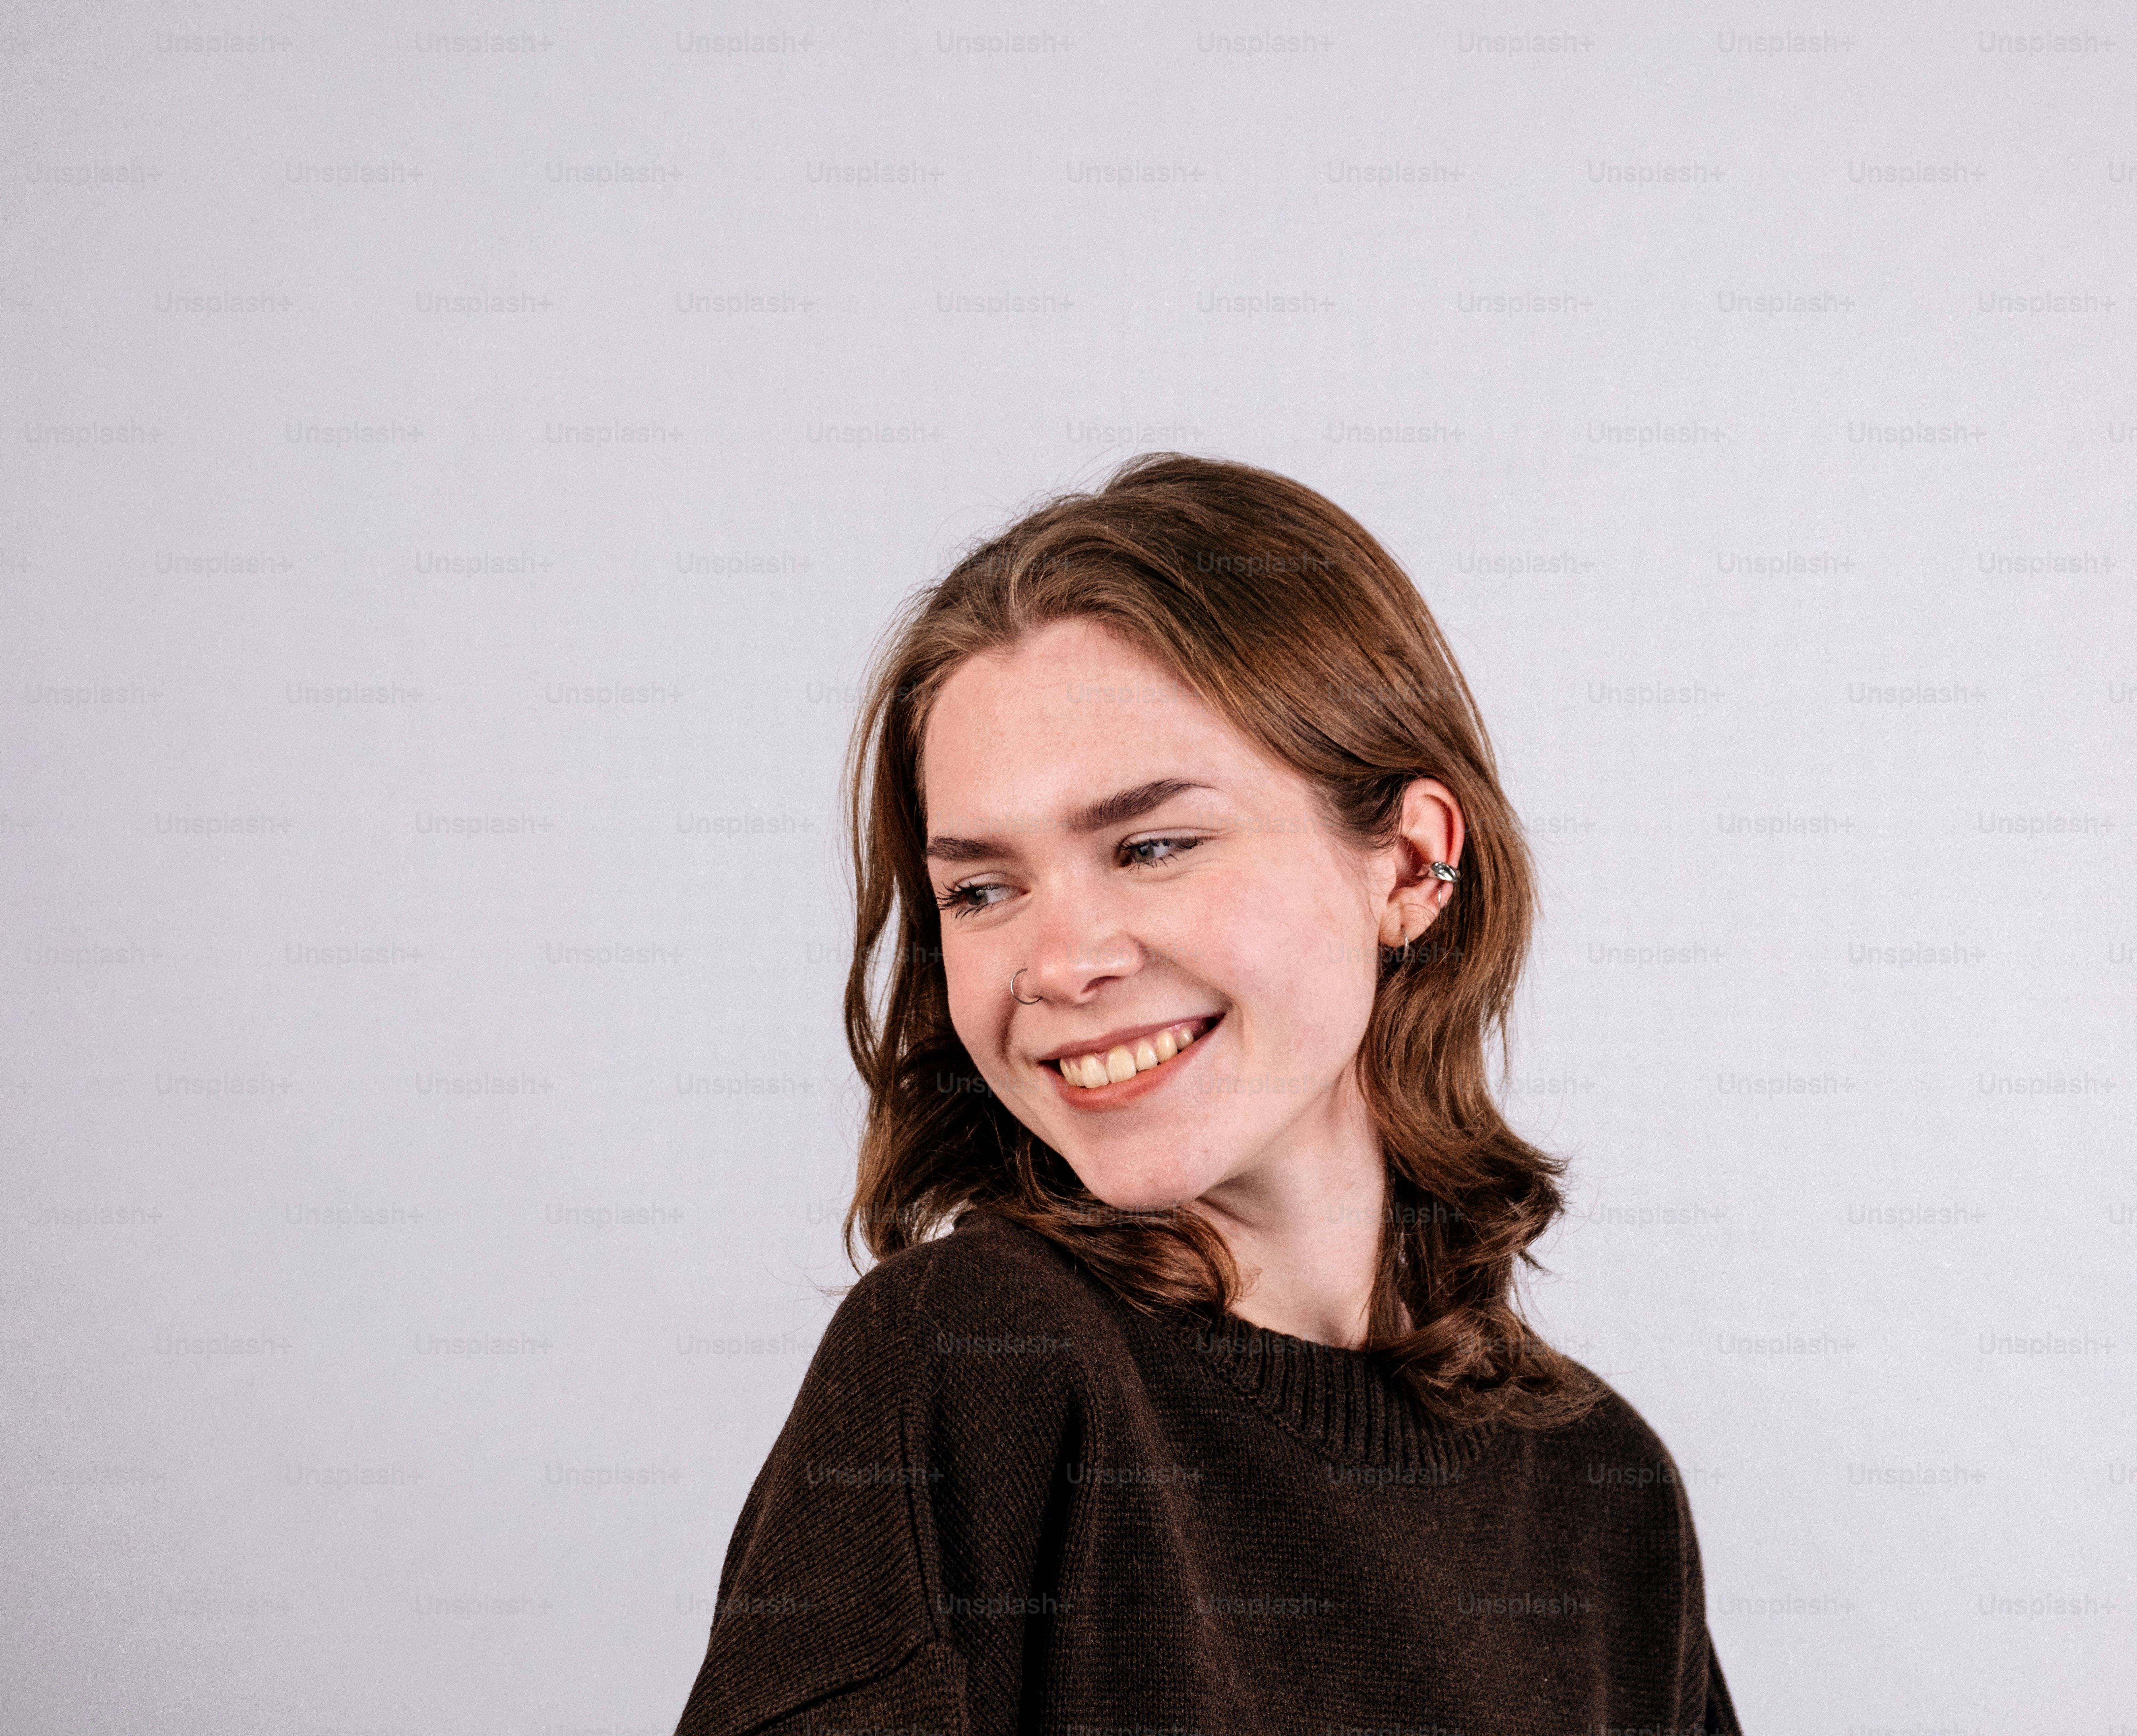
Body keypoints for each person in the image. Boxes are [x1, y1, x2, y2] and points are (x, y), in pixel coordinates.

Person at [673, 454, 1741, 1734]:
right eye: (982, 889)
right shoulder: (976, 1361)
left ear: (1408, 864)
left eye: (1153, 846)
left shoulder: (1602, 1489)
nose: (1060, 965)